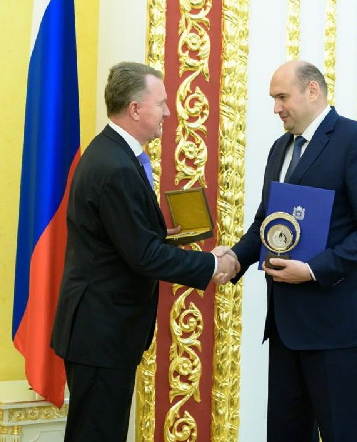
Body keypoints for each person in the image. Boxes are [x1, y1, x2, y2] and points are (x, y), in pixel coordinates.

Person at [51, 61, 240, 442]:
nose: (169, 113)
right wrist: (211, 263)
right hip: (102, 331)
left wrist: (156, 235)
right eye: (162, 103)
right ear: (135, 109)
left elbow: (120, 240)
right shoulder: (116, 166)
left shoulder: (110, 152)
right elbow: (144, 257)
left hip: (100, 330)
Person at [218, 60, 357, 442]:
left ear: (312, 90)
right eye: (273, 99)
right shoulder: (280, 148)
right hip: (287, 327)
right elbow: (267, 222)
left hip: (338, 328)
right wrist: (234, 258)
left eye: (282, 97)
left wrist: (315, 269)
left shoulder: (355, 140)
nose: (276, 108)